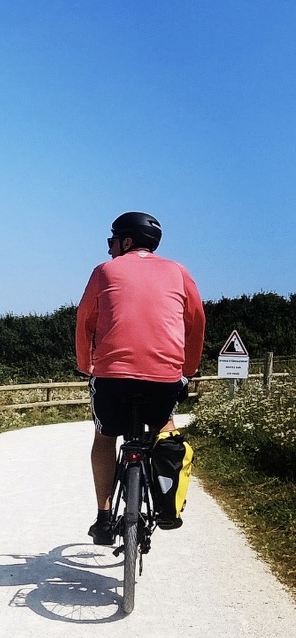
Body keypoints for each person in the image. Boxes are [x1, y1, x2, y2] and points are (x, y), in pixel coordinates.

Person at [76, 212, 206, 544]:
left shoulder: (104, 271)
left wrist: (86, 364)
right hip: (163, 379)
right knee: (165, 430)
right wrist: (187, 369)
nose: (109, 251)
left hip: (112, 379)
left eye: (112, 242)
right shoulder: (179, 272)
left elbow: (85, 320)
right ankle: (166, 506)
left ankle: (104, 518)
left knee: (105, 436)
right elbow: (196, 322)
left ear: (128, 241)